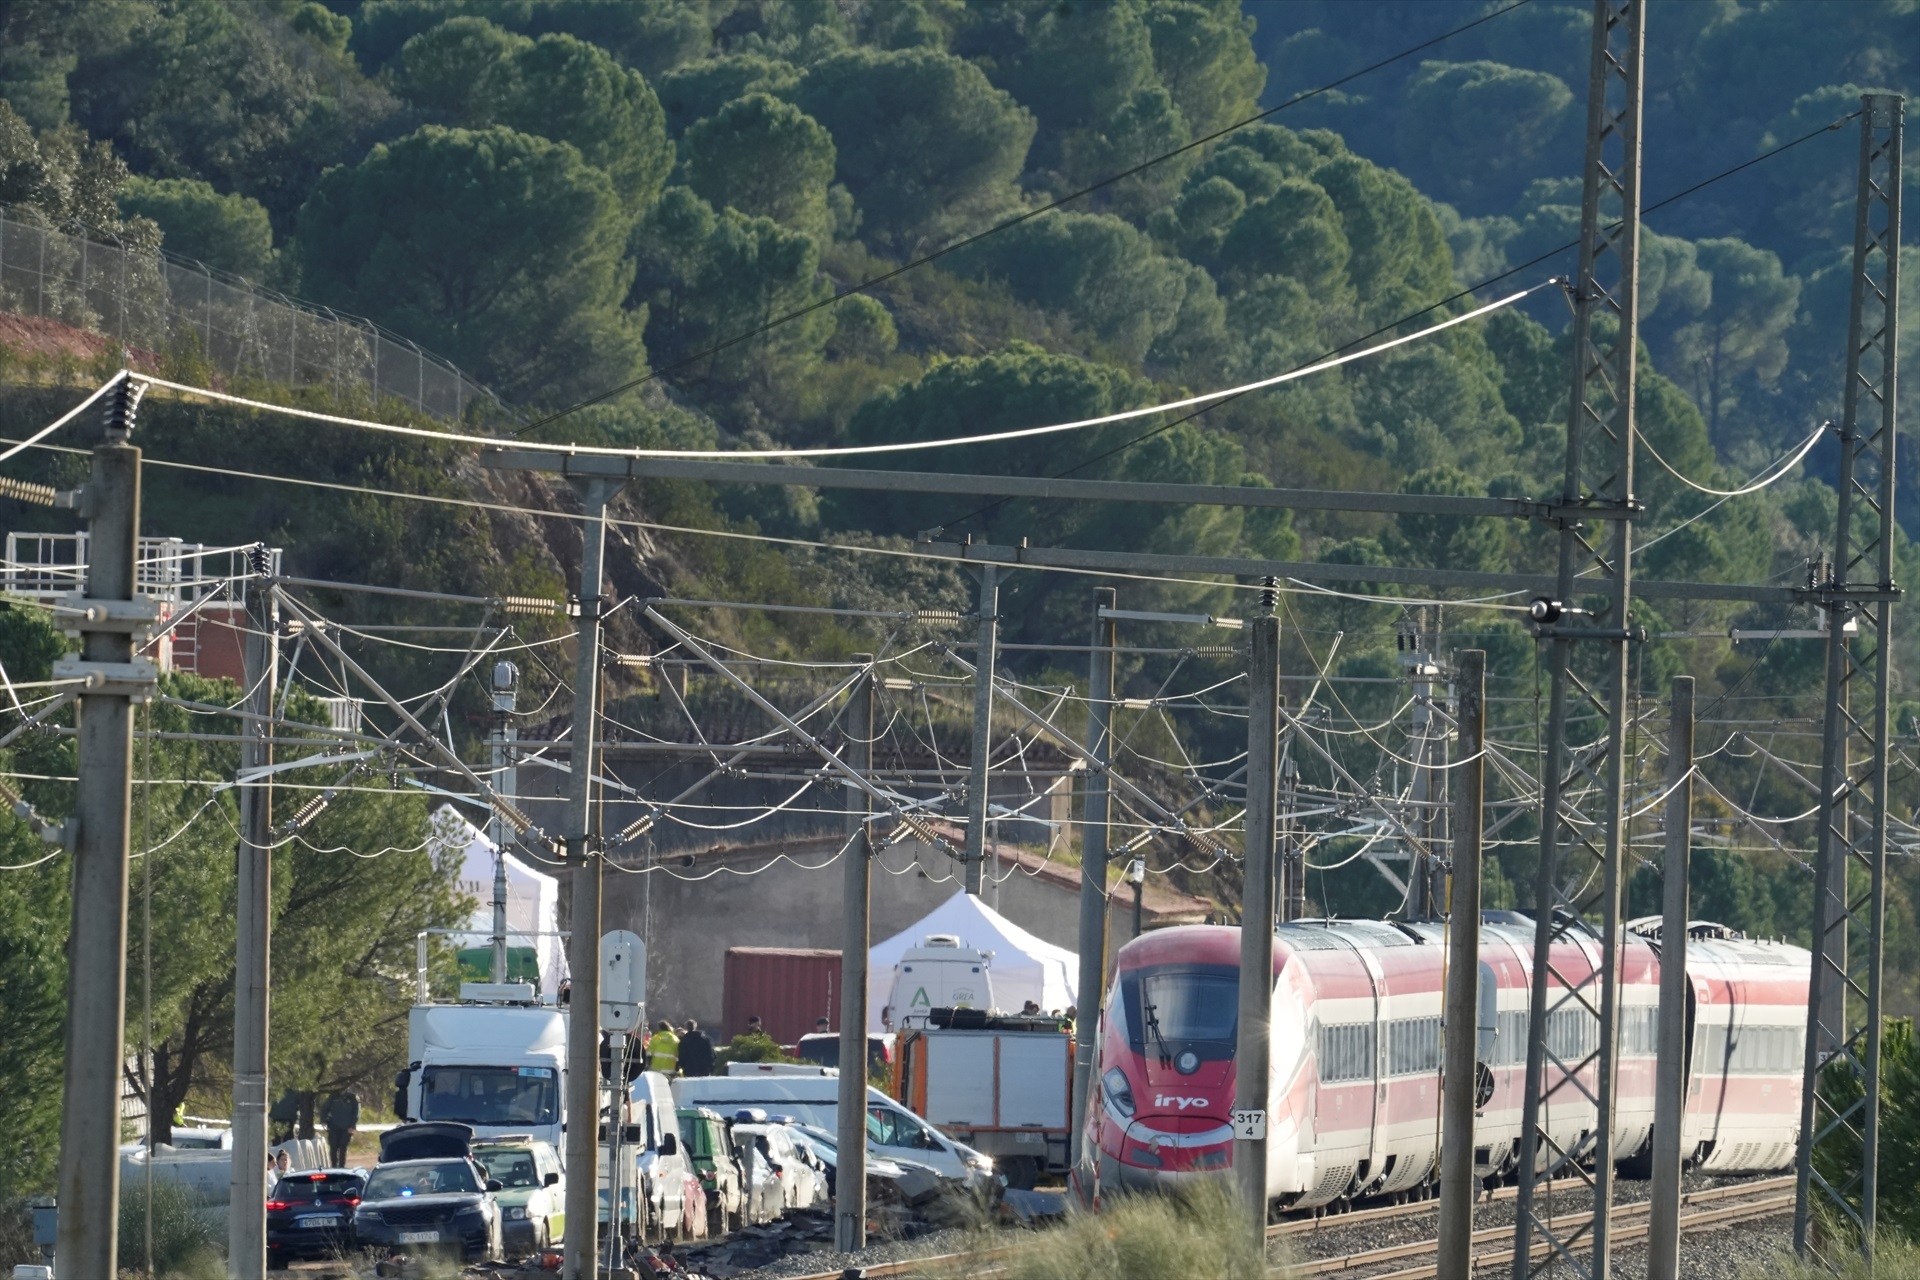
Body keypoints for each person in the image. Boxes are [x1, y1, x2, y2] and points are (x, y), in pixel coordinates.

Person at [322, 1089, 360, 1167]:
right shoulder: (333, 1096)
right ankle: (334, 1165)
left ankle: (341, 1166)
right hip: (333, 1127)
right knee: (333, 1147)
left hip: (347, 1128)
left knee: (343, 1147)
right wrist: (323, 1120)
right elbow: (325, 1108)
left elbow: (356, 1113)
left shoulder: (352, 1097)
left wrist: (352, 1126)